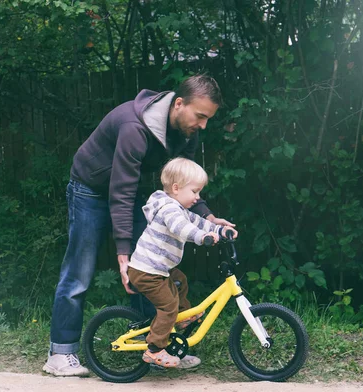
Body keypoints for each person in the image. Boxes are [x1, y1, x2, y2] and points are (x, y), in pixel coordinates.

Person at [42, 75, 235, 376]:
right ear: (179, 103)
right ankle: (60, 352)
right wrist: (122, 255)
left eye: (208, 118)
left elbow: (182, 184)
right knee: (79, 270)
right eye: (200, 116)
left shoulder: (187, 132)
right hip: (90, 189)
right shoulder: (134, 127)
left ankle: (158, 347)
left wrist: (208, 217)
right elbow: (120, 191)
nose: (203, 125)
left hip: (127, 192)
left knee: (151, 267)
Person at [128, 158, 238, 368]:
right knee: (168, 306)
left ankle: (181, 317)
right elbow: (183, 228)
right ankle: (154, 349)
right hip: (146, 271)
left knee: (180, 281)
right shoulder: (169, 209)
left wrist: (219, 230)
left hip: (159, 269)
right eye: (195, 192)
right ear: (176, 188)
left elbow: (199, 222)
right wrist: (201, 238)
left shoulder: (180, 208)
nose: (197, 198)